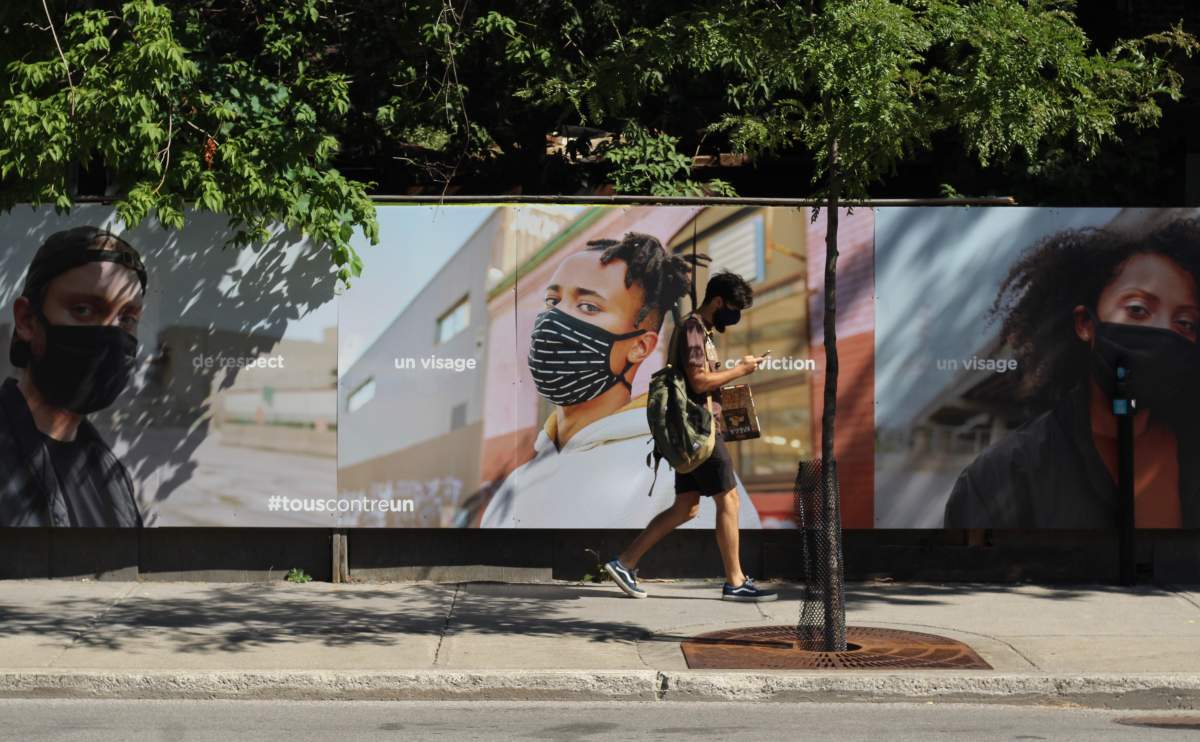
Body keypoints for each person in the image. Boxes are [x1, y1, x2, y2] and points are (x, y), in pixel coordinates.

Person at [480, 233, 762, 529]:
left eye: (588, 306)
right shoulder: (517, 481)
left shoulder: (672, 465)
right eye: (552, 300)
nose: (554, 318)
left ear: (640, 346)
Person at [944, 218, 1200, 528]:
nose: (1162, 332)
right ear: (1085, 324)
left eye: (1185, 323)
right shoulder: (1005, 475)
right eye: (1137, 309)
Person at [604, 270, 777, 601]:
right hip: (700, 432)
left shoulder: (700, 330)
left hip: (696, 430)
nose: (736, 316)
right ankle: (735, 582)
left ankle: (624, 563)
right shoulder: (694, 328)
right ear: (718, 301)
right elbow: (698, 382)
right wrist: (740, 370)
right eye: (734, 308)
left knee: (686, 508)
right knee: (729, 498)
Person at [0, 227, 147, 527]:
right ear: (27, 320)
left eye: (126, 318)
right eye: (83, 309)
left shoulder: (112, 476)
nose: (110, 333)